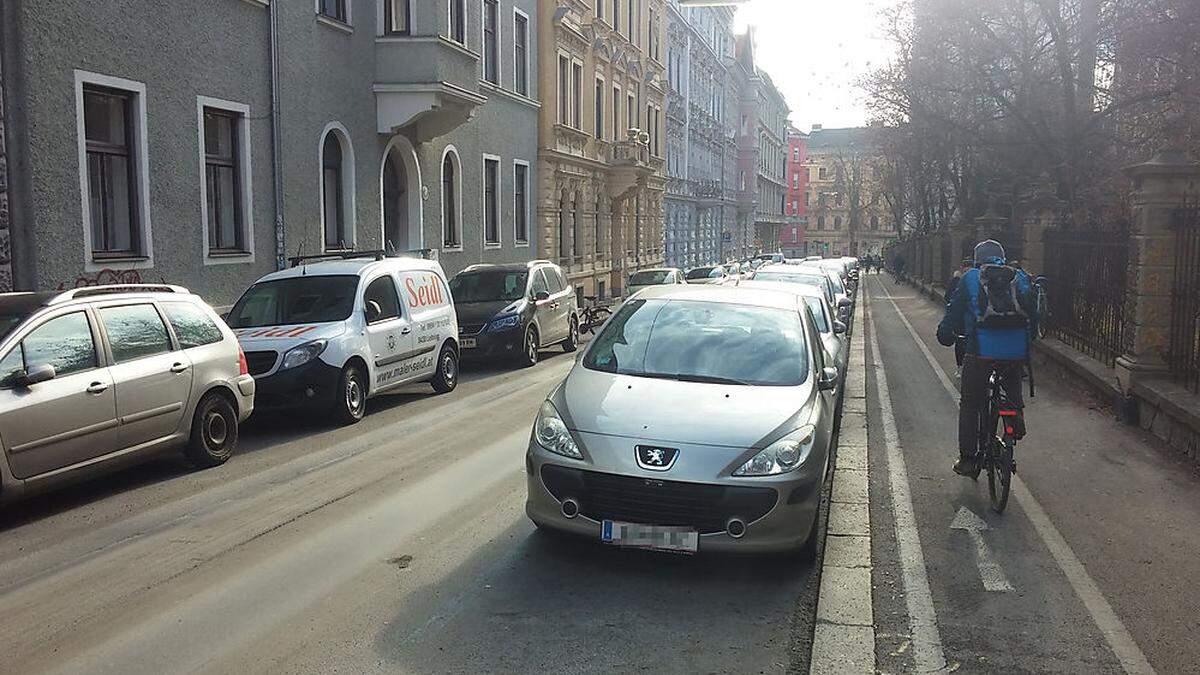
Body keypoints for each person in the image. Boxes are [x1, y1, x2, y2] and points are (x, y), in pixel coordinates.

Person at [937, 240, 1038, 477]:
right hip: (1015, 352)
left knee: (971, 403)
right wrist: (1028, 340)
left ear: (976, 259)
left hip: (980, 351)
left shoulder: (970, 278)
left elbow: (953, 312)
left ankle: (968, 459)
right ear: (1002, 257)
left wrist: (945, 334)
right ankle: (1015, 421)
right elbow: (1033, 313)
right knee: (1012, 386)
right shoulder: (1019, 276)